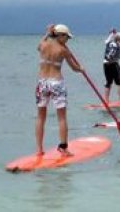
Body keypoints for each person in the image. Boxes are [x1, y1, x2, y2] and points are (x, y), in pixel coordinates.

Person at [35, 24, 83, 157]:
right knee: (61, 117)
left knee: (40, 116)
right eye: (66, 37)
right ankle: (63, 147)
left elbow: (39, 46)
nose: (67, 39)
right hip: (56, 83)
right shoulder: (63, 50)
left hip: (42, 83)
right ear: (60, 36)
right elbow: (74, 68)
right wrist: (81, 69)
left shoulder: (43, 44)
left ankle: (39, 149)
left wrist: (47, 34)